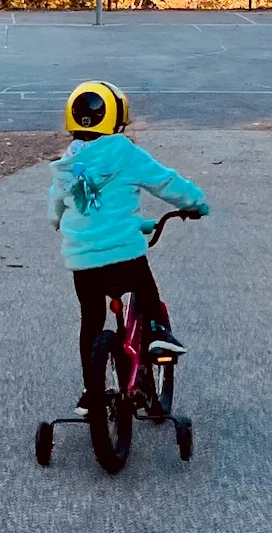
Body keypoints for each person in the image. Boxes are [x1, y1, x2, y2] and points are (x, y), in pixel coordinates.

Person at [47, 80, 208, 418]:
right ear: (117, 116)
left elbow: (59, 206)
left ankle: (93, 394)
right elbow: (164, 181)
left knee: (91, 322)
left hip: (83, 261)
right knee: (146, 292)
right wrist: (195, 201)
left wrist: (57, 219)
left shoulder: (70, 160)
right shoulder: (124, 152)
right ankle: (154, 335)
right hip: (123, 255)